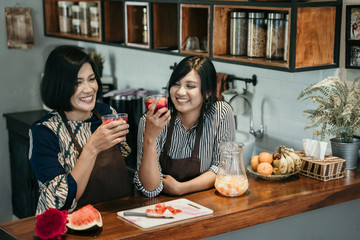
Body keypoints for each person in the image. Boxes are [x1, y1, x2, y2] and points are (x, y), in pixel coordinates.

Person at [29, 45, 132, 215]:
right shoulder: (44, 131)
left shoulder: (107, 114)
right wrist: (92, 148)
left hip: (116, 218)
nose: (89, 89)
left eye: (91, 79)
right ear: (59, 86)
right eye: (77, 82)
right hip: (68, 227)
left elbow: (125, 165)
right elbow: (57, 203)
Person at [134, 55, 236, 197]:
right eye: (176, 84)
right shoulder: (153, 120)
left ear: (207, 92)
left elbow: (223, 168)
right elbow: (150, 189)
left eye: (190, 86)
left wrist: (181, 188)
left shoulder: (221, 113)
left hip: (205, 202)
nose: (180, 92)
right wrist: (150, 138)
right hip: (159, 207)